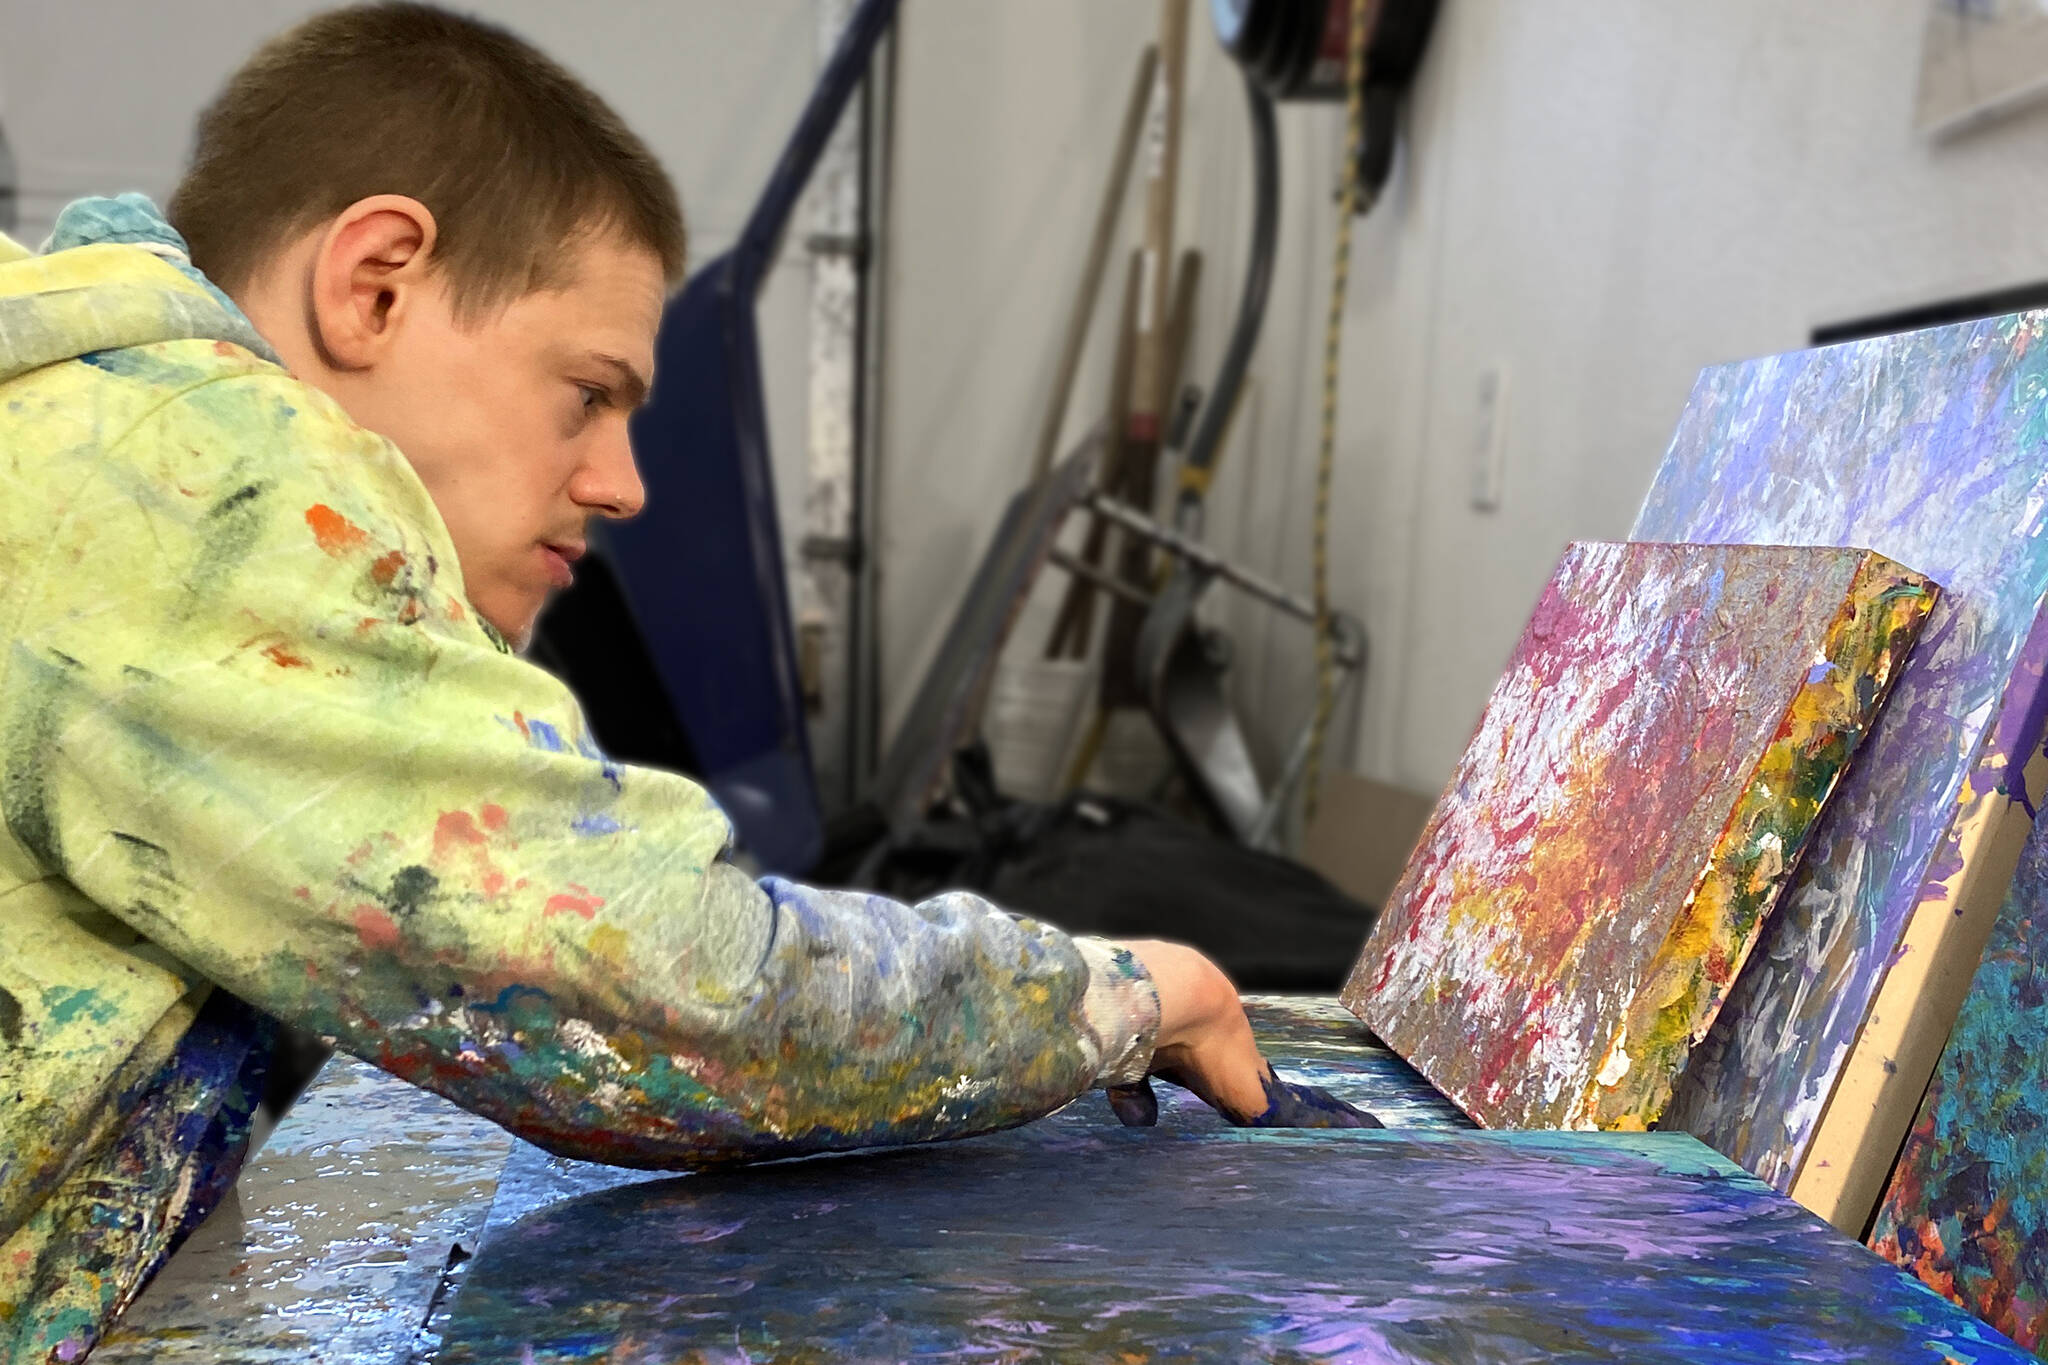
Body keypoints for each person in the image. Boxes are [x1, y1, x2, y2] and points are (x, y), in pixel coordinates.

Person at [0, 7, 1368, 1360]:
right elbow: (664, 985)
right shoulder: (190, 481)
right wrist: (1118, 995)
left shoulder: (83, 421)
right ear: (377, 285)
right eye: (587, 393)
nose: (623, 482)